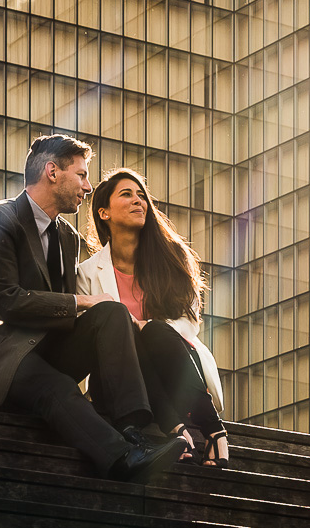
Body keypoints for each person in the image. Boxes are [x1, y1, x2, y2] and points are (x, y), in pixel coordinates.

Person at [0, 135, 185, 483]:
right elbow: (7, 301)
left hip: (40, 347)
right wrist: (84, 300)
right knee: (56, 387)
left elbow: (64, 315)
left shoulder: (67, 237)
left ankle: (134, 429)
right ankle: (122, 459)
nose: (88, 186)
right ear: (52, 172)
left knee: (112, 313)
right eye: (82, 175)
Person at [76, 168, 229, 468]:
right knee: (129, 335)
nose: (139, 201)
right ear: (103, 212)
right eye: (127, 195)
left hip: (173, 369)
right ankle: (208, 433)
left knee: (155, 332)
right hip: (120, 384)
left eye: (142, 196)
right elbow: (95, 334)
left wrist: (146, 327)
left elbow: (189, 320)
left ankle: (191, 430)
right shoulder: (87, 273)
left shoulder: (170, 257)